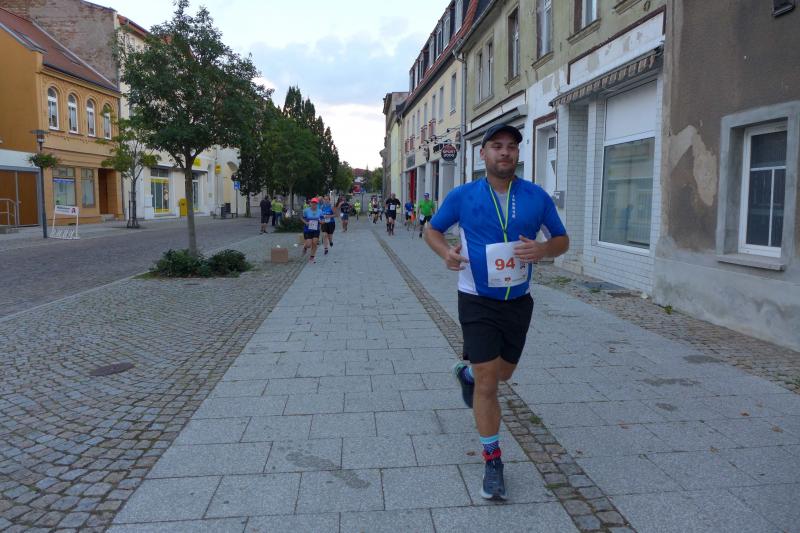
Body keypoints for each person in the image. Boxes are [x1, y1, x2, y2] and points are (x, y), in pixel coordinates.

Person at [423, 123, 569, 501]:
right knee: (490, 385)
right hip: (476, 298)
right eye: (497, 146)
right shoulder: (463, 195)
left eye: (511, 147)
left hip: (518, 300)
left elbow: (561, 239)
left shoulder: (536, 196)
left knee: (503, 374)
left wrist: (544, 250)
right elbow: (431, 230)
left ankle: (467, 373)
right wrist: (446, 252)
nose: (505, 152)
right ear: (483, 153)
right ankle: (493, 461)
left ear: (517, 153)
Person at [302, 197, 324, 263]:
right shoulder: (306, 210)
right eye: (312, 203)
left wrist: (321, 222)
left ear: (317, 204)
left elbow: (323, 220)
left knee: (314, 243)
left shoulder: (320, 211)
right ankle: (305, 247)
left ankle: (312, 257)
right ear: (310, 203)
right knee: (308, 245)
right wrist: (306, 222)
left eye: (315, 203)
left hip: (316, 229)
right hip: (307, 230)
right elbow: (302, 218)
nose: (314, 204)